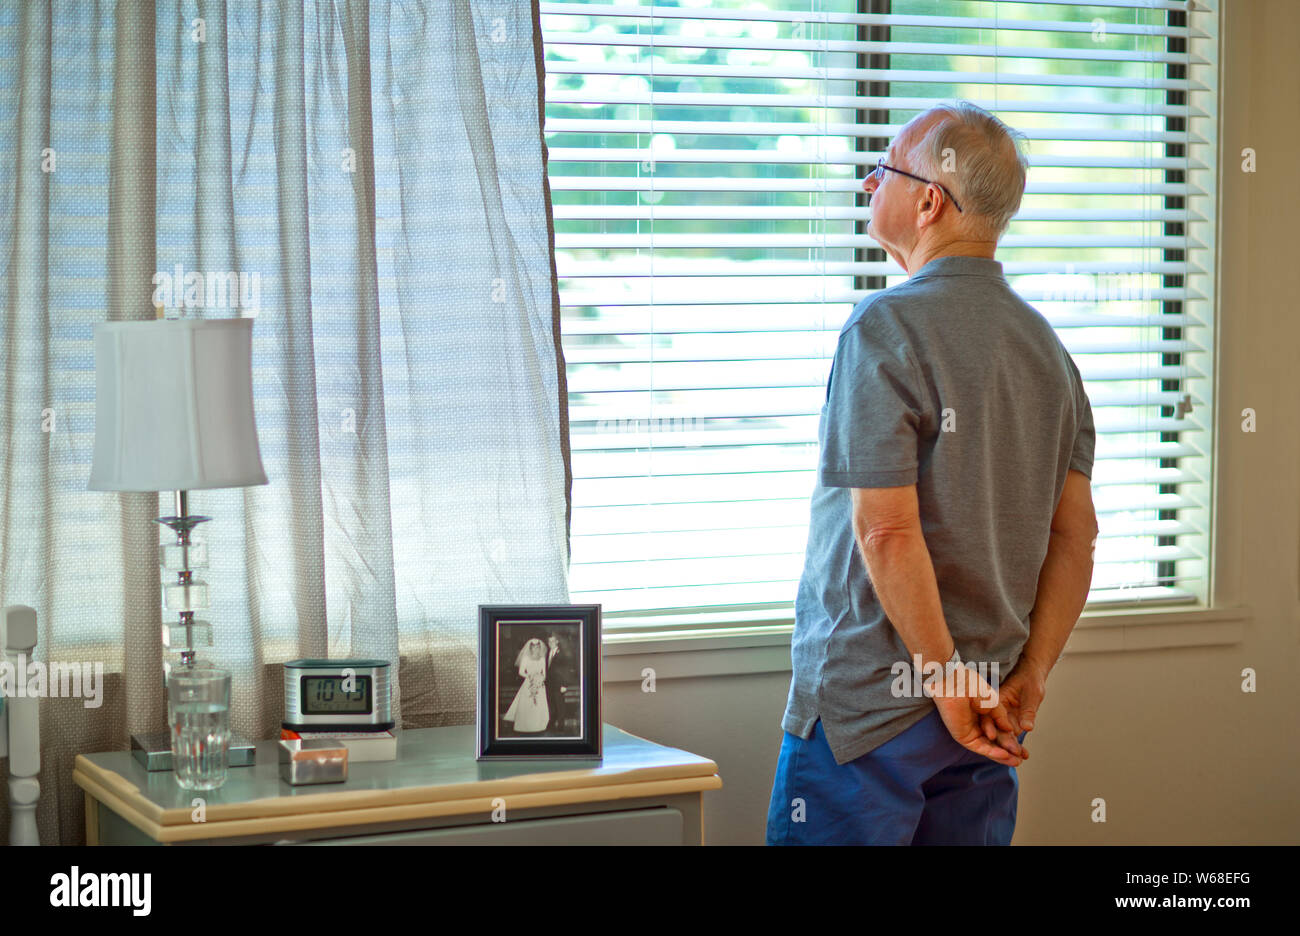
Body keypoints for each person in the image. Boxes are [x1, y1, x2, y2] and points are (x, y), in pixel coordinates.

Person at [766, 101, 1098, 846]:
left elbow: (884, 530)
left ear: (927, 200)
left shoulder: (884, 328)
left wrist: (942, 682)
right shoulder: (1048, 352)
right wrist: (1029, 677)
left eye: (879, 169)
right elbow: (1077, 539)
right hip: (985, 711)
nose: (865, 184)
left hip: (868, 717)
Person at [502, 637, 549, 733]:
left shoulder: (542, 658)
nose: (536, 649)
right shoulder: (526, 658)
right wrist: (530, 676)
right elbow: (521, 672)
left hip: (539, 685)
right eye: (534, 647)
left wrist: (540, 679)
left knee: (539, 704)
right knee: (527, 704)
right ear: (530, 648)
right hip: (529, 682)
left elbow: (544, 673)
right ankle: (525, 726)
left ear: (540, 648)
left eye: (537, 647)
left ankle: (538, 725)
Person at [543, 632, 571, 733]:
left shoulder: (562, 654)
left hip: (559, 685)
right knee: (552, 706)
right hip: (549, 685)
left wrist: (564, 685)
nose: (551, 643)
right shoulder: (547, 654)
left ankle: (561, 726)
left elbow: (566, 670)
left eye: (553, 641)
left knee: (560, 706)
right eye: (549, 641)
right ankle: (551, 724)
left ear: (557, 642)